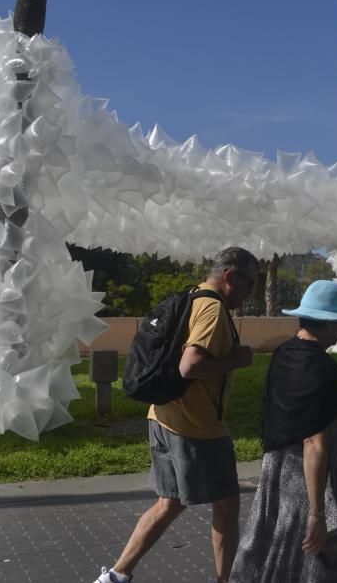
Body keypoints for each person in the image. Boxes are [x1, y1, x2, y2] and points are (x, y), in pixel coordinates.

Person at [93, 247, 260, 583]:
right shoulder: (211, 310)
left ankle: (116, 576)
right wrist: (238, 360)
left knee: (168, 503)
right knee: (226, 506)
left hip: (163, 415)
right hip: (196, 427)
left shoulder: (192, 297)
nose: (250, 292)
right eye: (250, 283)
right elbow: (191, 364)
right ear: (230, 277)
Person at [231, 280, 337, 582]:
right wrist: (318, 512)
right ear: (328, 323)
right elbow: (314, 442)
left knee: (277, 546)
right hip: (313, 479)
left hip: (278, 469)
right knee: (317, 553)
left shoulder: (284, 352)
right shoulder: (323, 368)